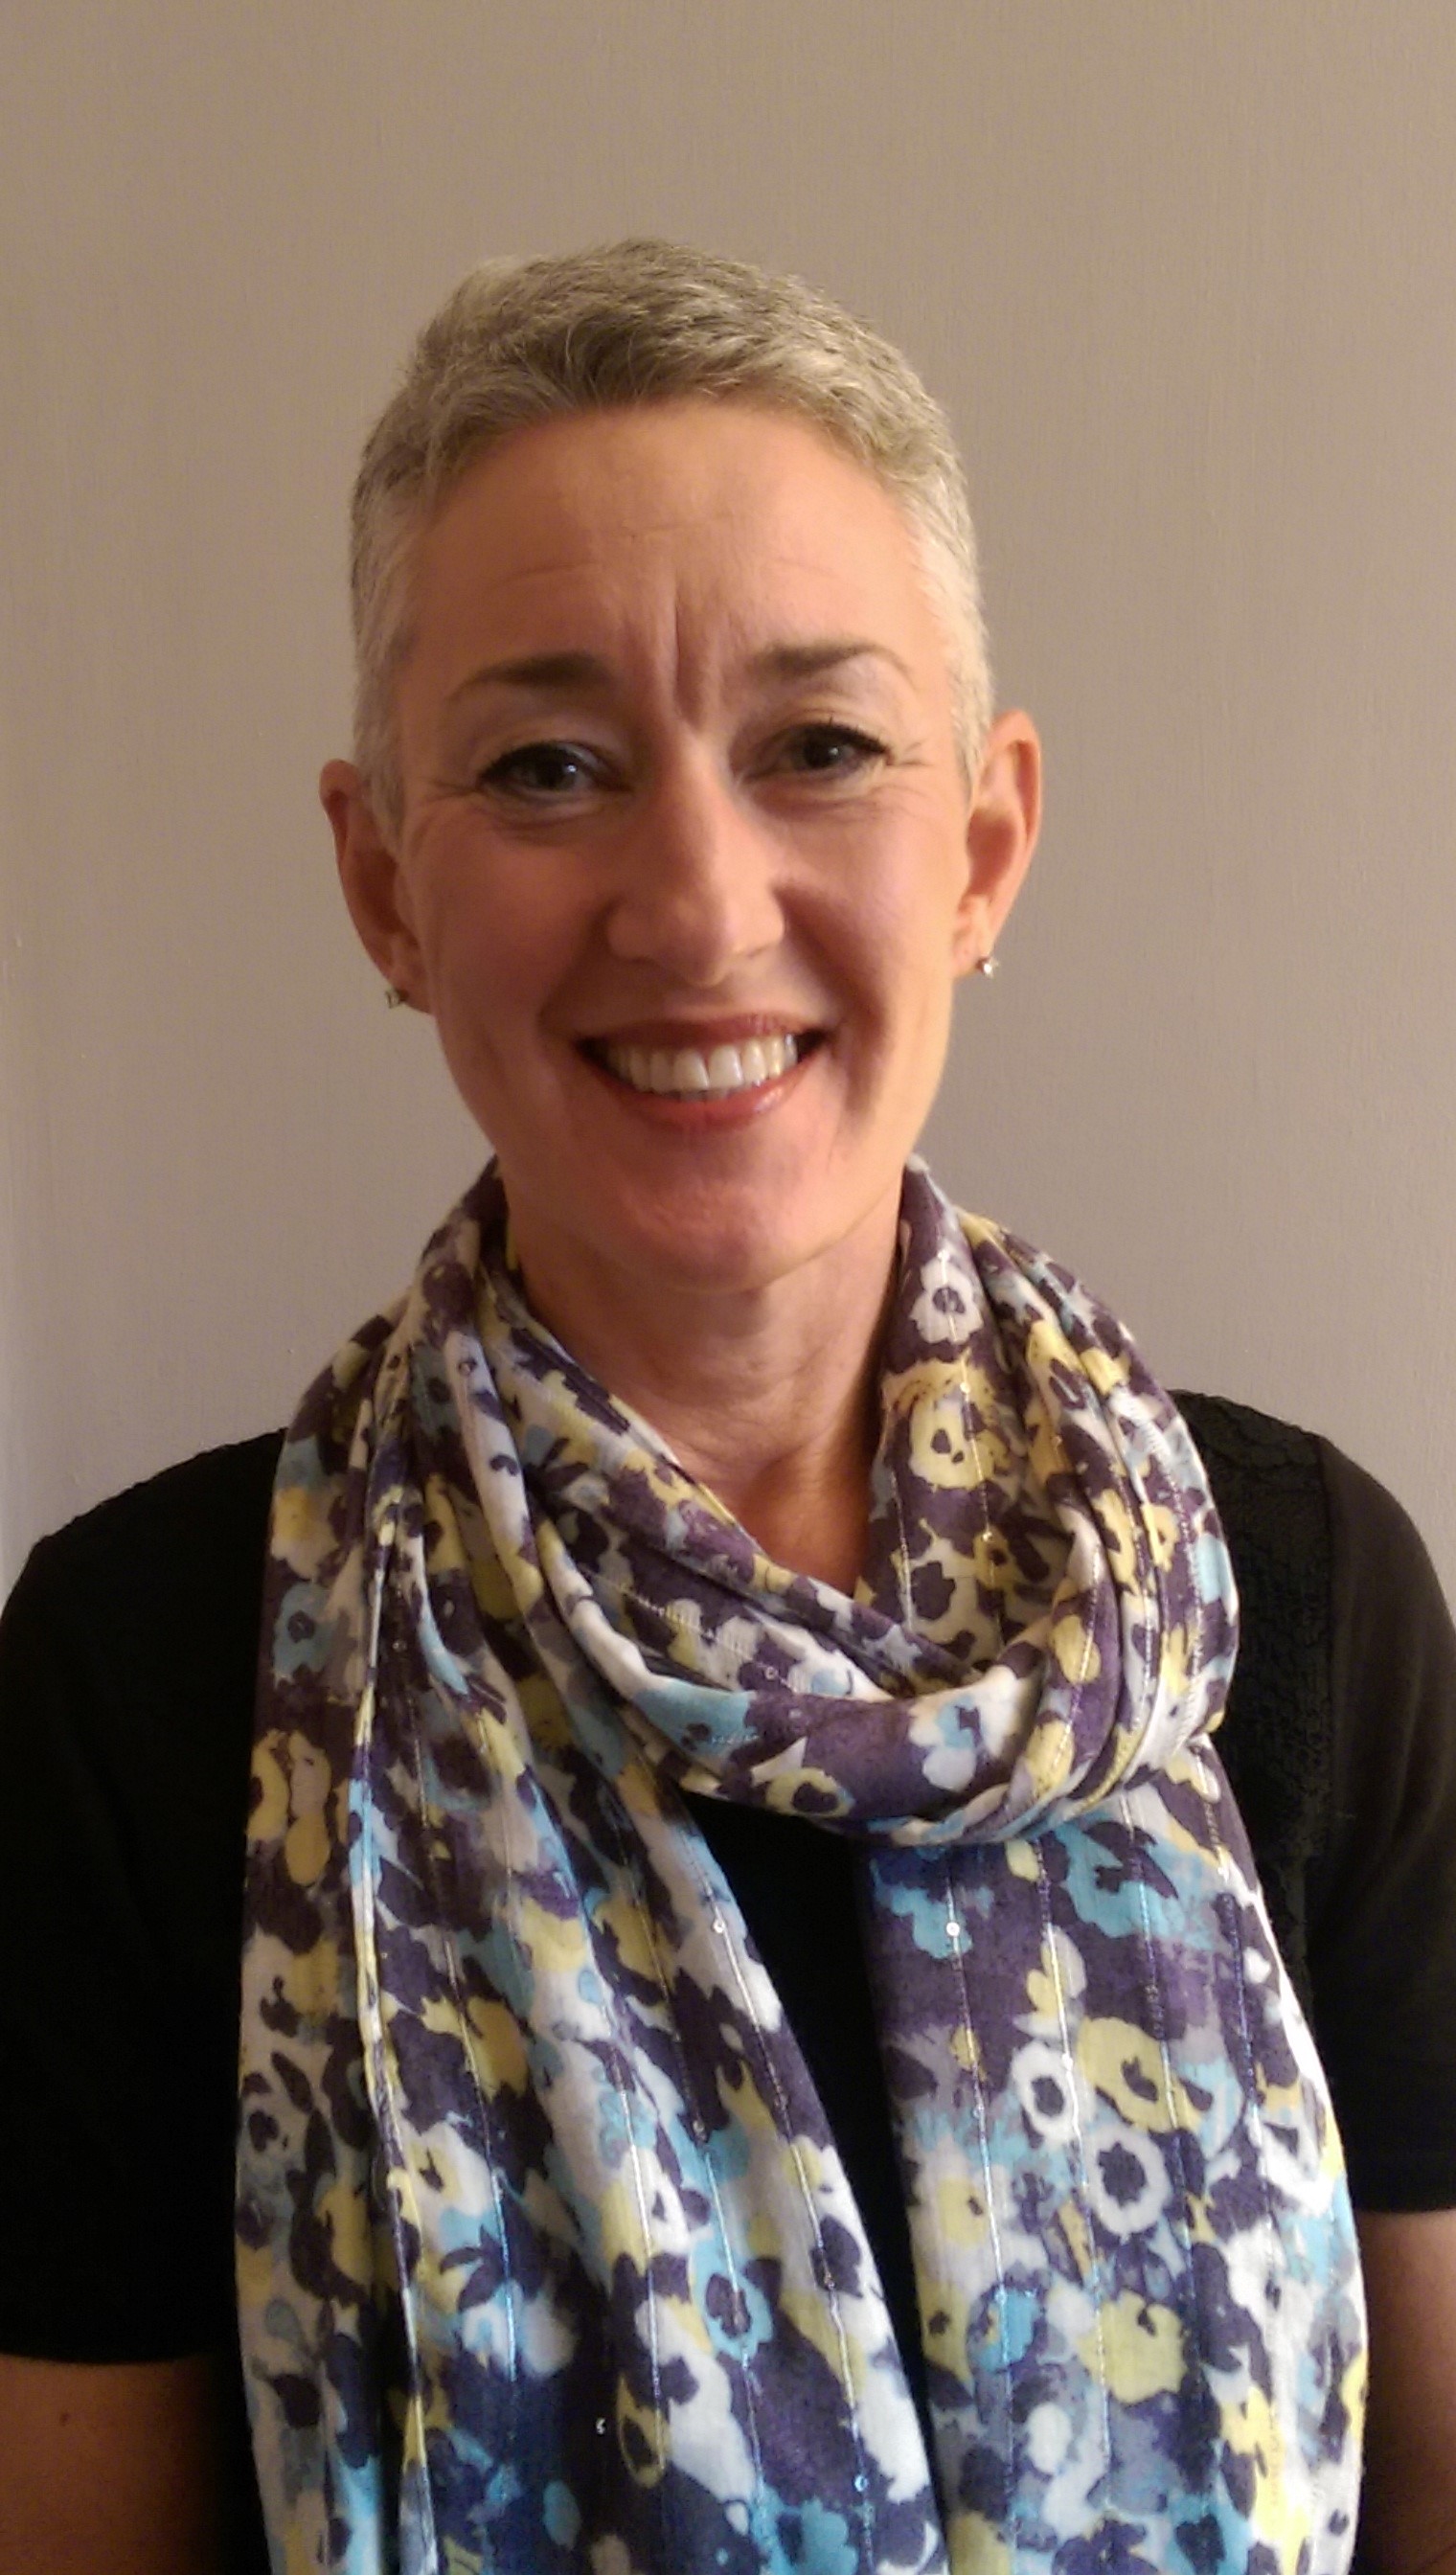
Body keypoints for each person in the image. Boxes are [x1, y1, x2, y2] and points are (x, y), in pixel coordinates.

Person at [0, 240, 1452, 2575]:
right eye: (547, 767)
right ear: (383, 886)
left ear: (982, 846)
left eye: (820, 748)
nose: (694, 904)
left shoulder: (1297, 1602)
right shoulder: (142, 1675)